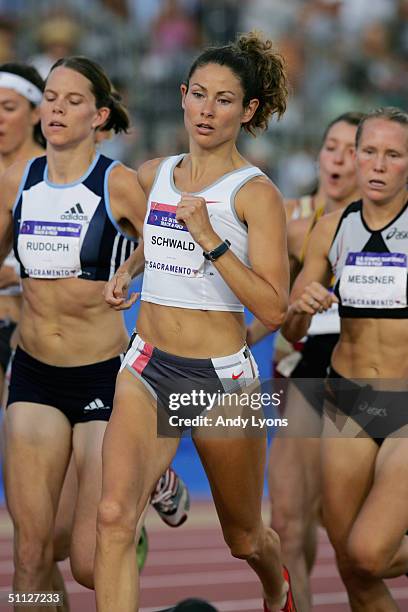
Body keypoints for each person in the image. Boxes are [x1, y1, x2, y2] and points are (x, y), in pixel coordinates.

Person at [95, 31, 296, 612]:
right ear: (183, 96)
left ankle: (275, 585)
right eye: (199, 95)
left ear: (249, 110)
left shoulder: (255, 194)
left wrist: (210, 238)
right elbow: (155, 235)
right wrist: (131, 268)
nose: (208, 110)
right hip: (147, 367)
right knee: (112, 517)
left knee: (243, 537)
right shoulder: (155, 171)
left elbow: (274, 307)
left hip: (220, 381)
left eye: (225, 99)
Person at [0, 56, 189, 612]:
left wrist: (129, 271)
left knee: (87, 562)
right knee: (30, 554)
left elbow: (170, 245)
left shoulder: (118, 183)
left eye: (73, 100)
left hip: (102, 379)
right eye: (51, 98)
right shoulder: (22, 179)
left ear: (99, 116)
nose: (57, 109)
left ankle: (146, 492)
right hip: (32, 373)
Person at [282, 106, 408, 610]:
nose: (377, 165)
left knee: (368, 552)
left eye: (393, 155)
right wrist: (302, 305)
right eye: (369, 152)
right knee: (350, 561)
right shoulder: (329, 227)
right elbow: (291, 326)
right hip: (347, 402)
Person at [247, 112, 364, 610]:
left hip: (366, 379)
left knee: (353, 539)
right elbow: (274, 308)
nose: (338, 158)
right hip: (301, 373)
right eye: (330, 146)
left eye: (351, 149)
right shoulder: (291, 220)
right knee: (290, 524)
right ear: (317, 154)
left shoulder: (388, 227)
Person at [0, 63, 45, 405]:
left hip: (37, 326)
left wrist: (15, 273)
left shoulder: (57, 172)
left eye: (8, 108)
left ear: (35, 114)